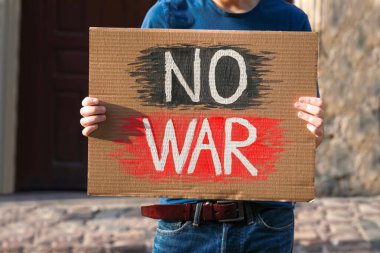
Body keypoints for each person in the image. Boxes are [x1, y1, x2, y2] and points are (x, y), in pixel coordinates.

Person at [80, 0, 324, 252]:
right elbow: (136, 106)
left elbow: (303, 135)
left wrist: (313, 133)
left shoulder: (291, 21)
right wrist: (101, 120)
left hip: (265, 226)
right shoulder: (167, 16)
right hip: (184, 225)